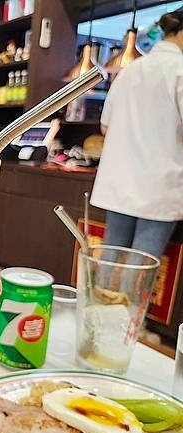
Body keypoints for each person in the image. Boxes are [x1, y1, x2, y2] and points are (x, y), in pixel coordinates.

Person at [90, 9, 183, 260]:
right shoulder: (180, 70)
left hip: (122, 181)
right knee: (142, 263)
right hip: (159, 185)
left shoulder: (130, 70)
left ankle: (99, 300)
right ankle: (128, 302)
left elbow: (105, 127)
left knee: (110, 256)